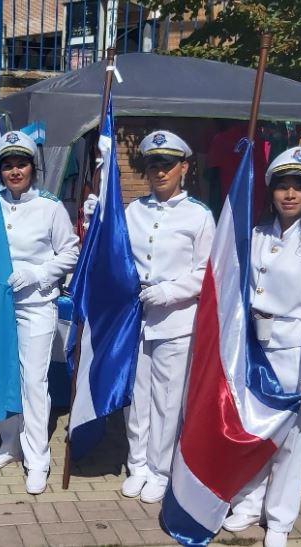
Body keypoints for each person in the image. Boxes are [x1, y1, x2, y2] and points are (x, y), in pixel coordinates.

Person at [222, 146, 301, 547]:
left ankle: (281, 518)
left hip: (292, 352)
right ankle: (250, 502)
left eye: (299, 188)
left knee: (290, 441)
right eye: (282, 187)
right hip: (254, 348)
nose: (289, 195)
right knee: (254, 432)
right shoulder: (257, 234)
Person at [114, 130, 215, 503]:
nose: (160, 172)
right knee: (136, 398)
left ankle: (161, 469)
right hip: (136, 319)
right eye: (154, 165)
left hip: (175, 321)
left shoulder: (199, 215)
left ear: (184, 168)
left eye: (168, 165)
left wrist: (170, 290)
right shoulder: (133, 210)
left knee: (167, 399)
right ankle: (137, 464)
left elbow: (208, 272)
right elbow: (116, 253)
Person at [0, 131, 80, 494]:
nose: (14, 171)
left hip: (36, 305)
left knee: (34, 383)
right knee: (3, 375)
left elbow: (70, 253)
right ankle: (9, 442)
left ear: (33, 167)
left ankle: (37, 457)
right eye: (7, 165)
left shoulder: (50, 207)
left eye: (20, 163)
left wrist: (37, 274)